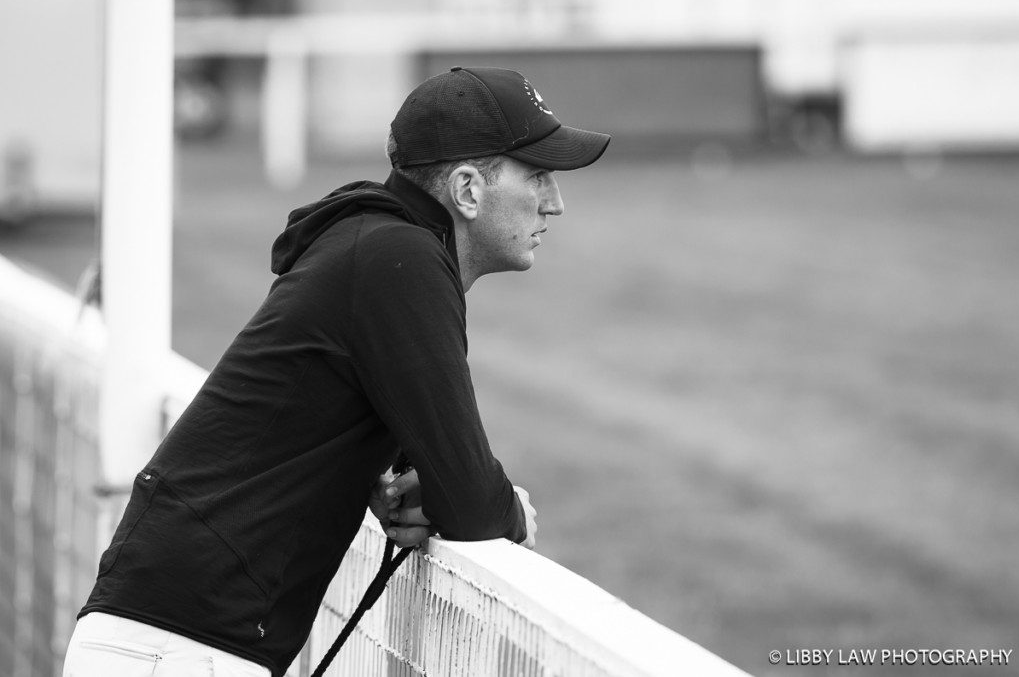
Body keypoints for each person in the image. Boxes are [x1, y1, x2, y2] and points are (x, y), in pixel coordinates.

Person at [63, 66, 610, 677]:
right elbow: (474, 504)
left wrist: (427, 488)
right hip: (179, 650)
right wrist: (510, 510)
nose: (555, 202)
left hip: (174, 640)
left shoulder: (378, 244)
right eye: (537, 174)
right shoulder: (398, 258)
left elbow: (439, 478)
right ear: (466, 190)